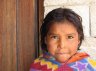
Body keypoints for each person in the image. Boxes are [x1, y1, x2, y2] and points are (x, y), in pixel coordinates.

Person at [30, 8, 96, 71]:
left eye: (70, 37)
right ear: (45, 39)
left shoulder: (89, 66)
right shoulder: (38, 65)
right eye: (54, 37)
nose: (62, 45)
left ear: (79, 39)